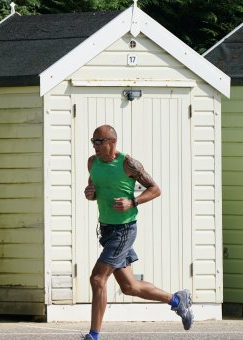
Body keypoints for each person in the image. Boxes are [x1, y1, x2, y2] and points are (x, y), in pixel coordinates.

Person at [83, 125, 193, 340]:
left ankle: (93, 336)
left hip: (124, 231)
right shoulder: (92, 163)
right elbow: (94, 189)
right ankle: (177, 301)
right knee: (129, 287)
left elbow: (155, 189)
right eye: (93, 142)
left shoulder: (128, 164)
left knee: (97, 279)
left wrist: (132, 201)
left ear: (112, 142)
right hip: (106, 230)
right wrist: (90, 193)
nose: (95, 146)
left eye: (99, 142)